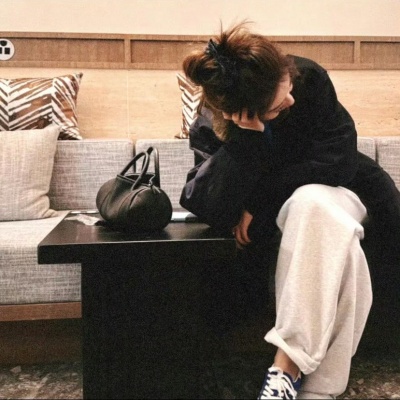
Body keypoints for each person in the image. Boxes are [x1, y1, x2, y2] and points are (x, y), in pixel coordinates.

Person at [179, 22, 400, 399]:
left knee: (312, 203)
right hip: (302, 214)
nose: (291, 102)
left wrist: (261, 203)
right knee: (331, 237)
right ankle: (315, 390)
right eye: (277, 106)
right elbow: (206, 203)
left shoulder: (308, 78)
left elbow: (337, 161)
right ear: (242, 113)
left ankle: (287, 367)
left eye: (287, 88)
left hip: (348, 190)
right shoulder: (215, 121)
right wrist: (244, 143)